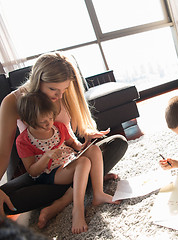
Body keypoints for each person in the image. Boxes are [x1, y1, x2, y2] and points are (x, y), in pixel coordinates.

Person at [0, 51, 128, 229]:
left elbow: (68, 135)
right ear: (38, 80)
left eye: (64, 90)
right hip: (43, 170)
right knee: (5, 199)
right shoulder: (13, 101)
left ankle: (70, 194)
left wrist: (87, 137)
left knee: (118, 143)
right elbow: (3, 154)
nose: (59, 96)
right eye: (53, 89)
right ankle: (82, 185)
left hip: (70, 161)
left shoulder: (62, 93)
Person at [16, 92, 119, 234]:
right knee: (83, 162)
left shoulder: (58, 127)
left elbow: (74, 144)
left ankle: (98, 193)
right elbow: (32, 171)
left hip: (70, 162)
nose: (49, 124)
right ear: (28, 122)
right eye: (43, 122)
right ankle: (78, 210)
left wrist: (85, 143)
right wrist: (46, 156)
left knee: (94, 150)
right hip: (49, 172)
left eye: (51, 118)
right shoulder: (23, 141)